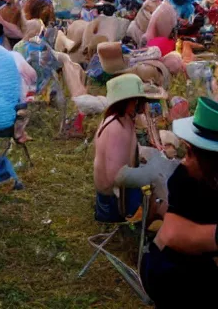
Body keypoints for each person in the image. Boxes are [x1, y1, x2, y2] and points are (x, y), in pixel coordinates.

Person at [143, 97, 218, 308]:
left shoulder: (207, 177)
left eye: (189, 152)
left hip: (193, 266)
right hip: (173, 274)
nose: (185, 158)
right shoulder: (182, 179)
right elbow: (176, 235)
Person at [92, 74, 171, 222]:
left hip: (117, 192)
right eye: (138, 101)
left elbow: (129, 149)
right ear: (128, 101)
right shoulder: (116, 127)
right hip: (112, 201)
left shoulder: (123, 120)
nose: (141, 105)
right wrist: (150, 174)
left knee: (160, 169)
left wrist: (151, 154)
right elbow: (116, 176)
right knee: (159, 195)